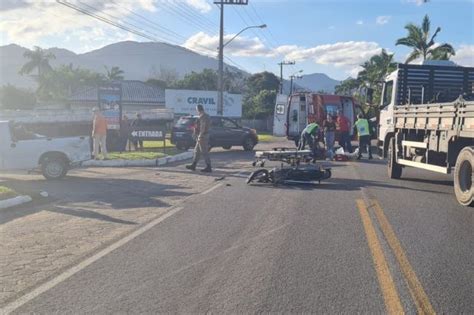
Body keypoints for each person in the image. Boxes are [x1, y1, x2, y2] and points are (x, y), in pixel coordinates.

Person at [186, 104, 212, 172]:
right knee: (196, 151)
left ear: (198, 109)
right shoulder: (203, 116)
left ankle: (209, 166)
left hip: (203, 136)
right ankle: (193, 165)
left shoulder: (203, 116)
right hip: (201, 136)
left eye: (196, 109)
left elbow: (203, 126)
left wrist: (200, 135)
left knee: (204, 151)